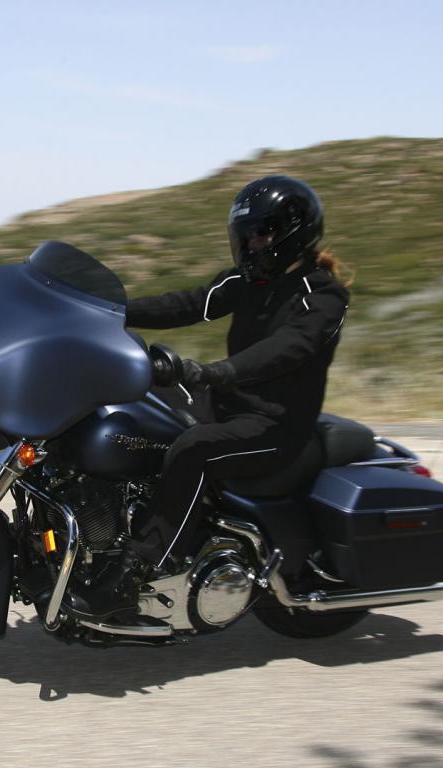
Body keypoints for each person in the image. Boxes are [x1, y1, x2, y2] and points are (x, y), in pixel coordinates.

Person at [82, 175, 351, 616]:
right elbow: (189, 303)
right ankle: (102, 527)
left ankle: (139, 568)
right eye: (245, 236)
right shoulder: (249, 282)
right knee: (135, 402)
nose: (250, 245)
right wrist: (111, 312)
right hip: (227, 405)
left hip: (274, 426)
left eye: (260, 234)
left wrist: (218, 372)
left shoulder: (322, 295)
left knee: (194, 450)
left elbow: (287, 348)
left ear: (292, 232)